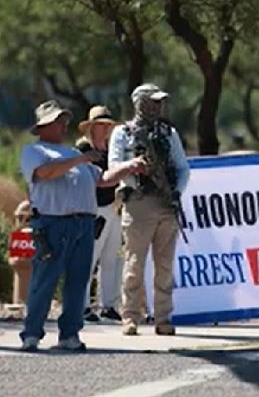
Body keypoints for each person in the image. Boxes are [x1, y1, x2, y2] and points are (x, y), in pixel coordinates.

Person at [19, 100, 146, 352]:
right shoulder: (34, 152)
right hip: (52, 223)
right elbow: (45, 174)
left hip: (83, 224)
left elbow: (103, 179)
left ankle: (70, 334)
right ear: (43, 126)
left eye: (63, 120)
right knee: (44, 281)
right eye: (57, 121)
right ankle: (32, 333)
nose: (62, 125)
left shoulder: (75, 155)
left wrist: (128, 167)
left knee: (78, 281)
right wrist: (79, 161)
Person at [109, 83, 190, 336]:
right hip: (139, 203)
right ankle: (130, 316)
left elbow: (182, 167)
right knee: (134, 264)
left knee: (164, 266)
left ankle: (163, 318)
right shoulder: (123, 133)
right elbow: (114, 165)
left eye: (160, 102)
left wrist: (176, 191)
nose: (158, 106)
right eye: (153, 101)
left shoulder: (168, 132)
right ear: (140, 103)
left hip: (166, 205)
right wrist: (133, 169)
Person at [77, 105, 123, 323]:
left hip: (114, 207)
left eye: (108, 126)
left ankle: (109, 305)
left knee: (112, 258)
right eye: (101, 126)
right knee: (89, 258)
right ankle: (83, 304)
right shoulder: (84, 150)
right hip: (94, 208)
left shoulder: (112, 150)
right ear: (92, 127)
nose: (105, 130)